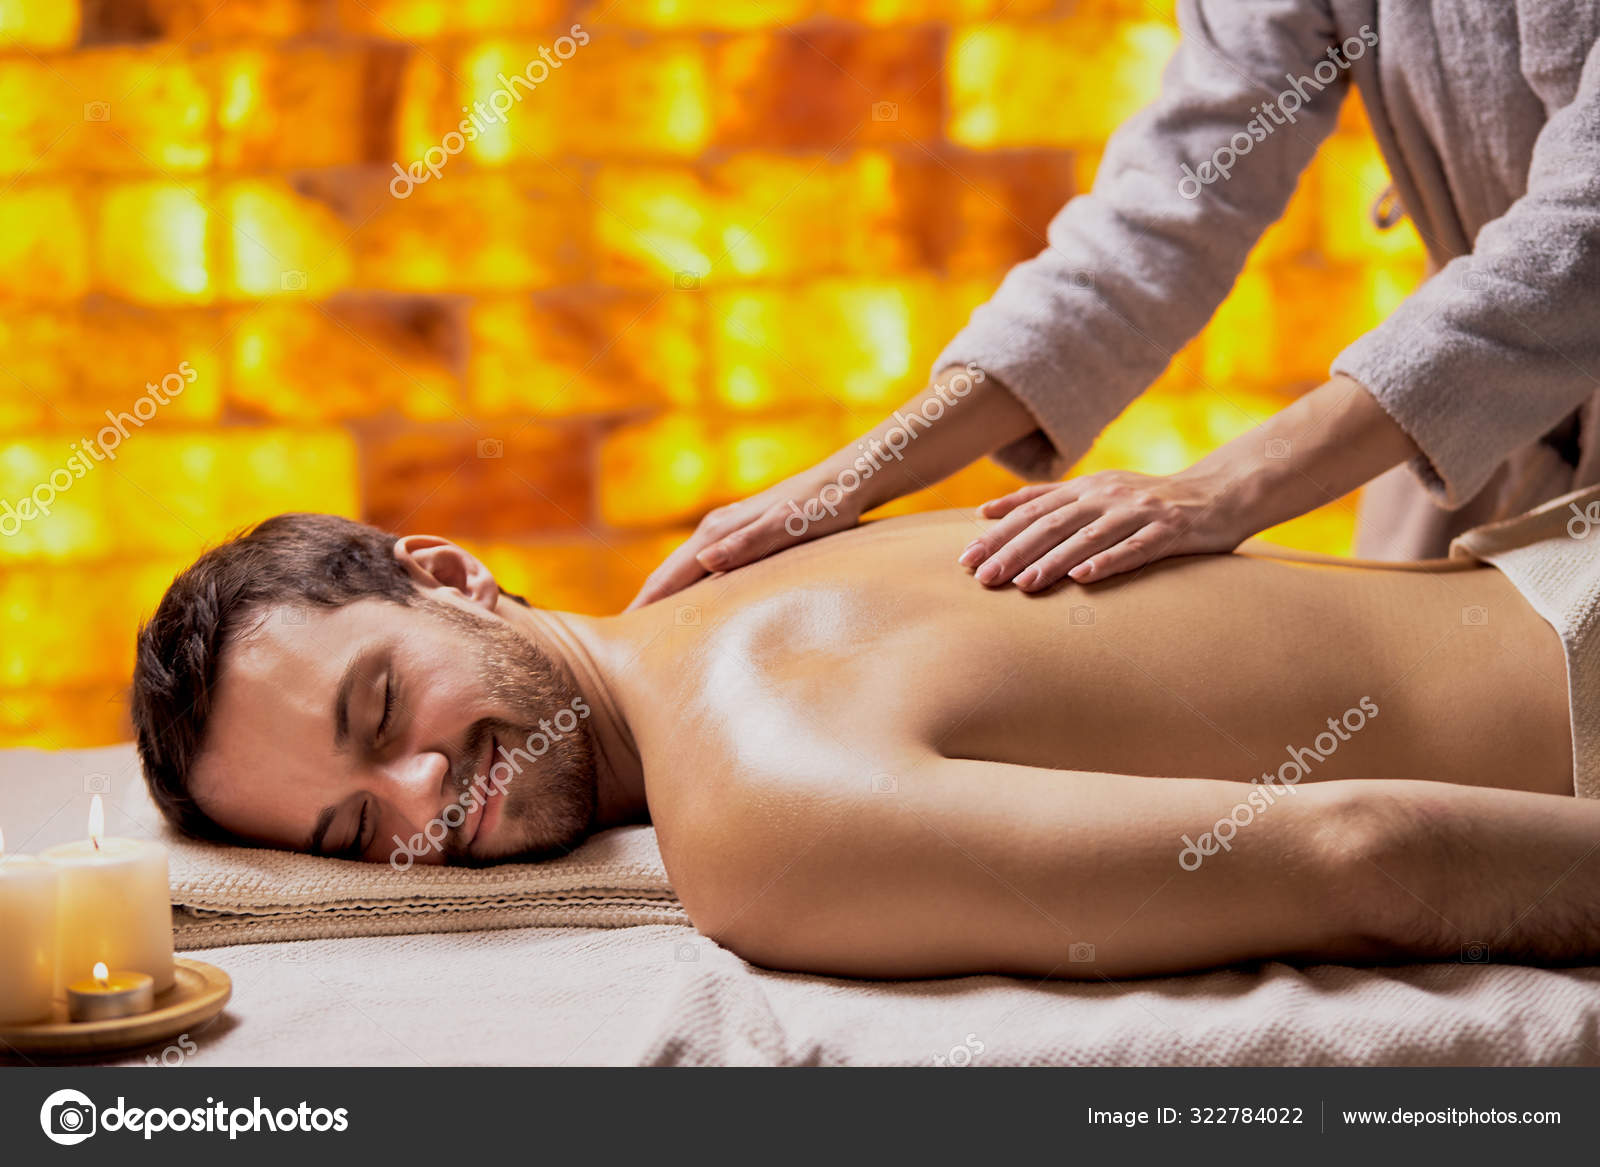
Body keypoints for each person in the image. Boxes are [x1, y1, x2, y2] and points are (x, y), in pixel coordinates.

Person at [132, 488, 1600, 980]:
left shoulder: (758, 812)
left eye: (382, 708)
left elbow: (1361, 848)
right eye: (350, 833)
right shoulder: (749, 576)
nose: (421, 796)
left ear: (448, 572)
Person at [628, 0, 1600, 607]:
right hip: (1483, 417)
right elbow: (1169, 209)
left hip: (1504, 361)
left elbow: (1581, 233)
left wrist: (1222, 490)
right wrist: (847, 477)